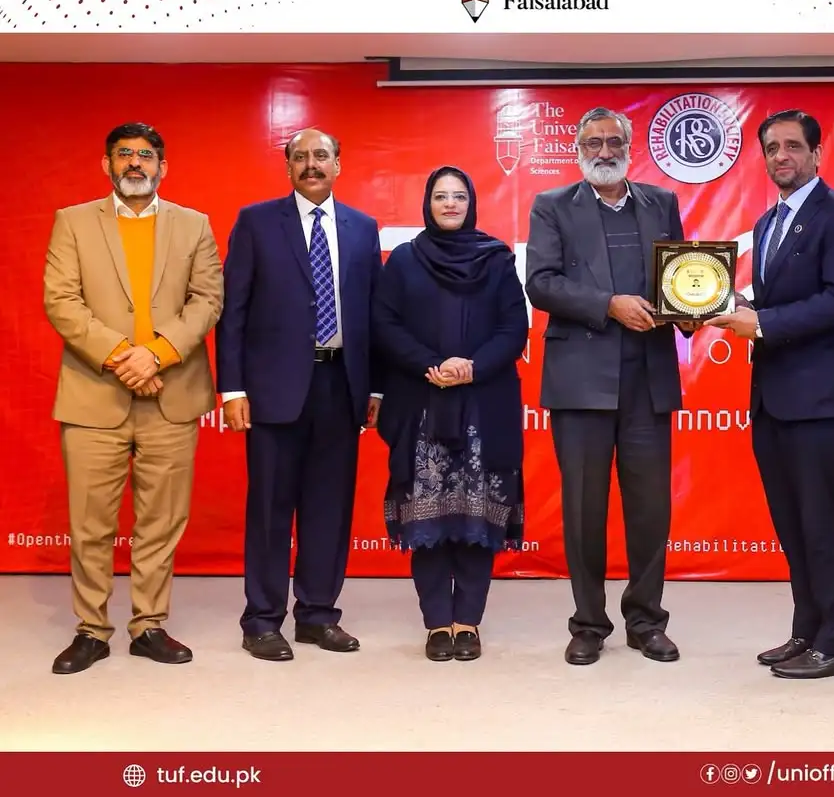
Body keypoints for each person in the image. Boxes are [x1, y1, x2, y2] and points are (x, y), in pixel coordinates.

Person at [44, 122, 223, 674]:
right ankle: (91, 630)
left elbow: (207, 300)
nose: (135, 164)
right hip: (94, 393)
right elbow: (61, 301)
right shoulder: (73, 222)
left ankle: (149, 625)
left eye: (146, 155)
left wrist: (157, 355)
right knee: (91, 524)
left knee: (160, 521)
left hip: (172, 394)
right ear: (107, 165)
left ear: (163, 167)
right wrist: (126, 356)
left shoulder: (194, 225)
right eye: (124, 154)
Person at [706, 109, 834, 679]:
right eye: (771, 148)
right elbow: (776, 302)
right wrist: (730, 306)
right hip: (772, 398)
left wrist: (761, 323)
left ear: (817, 153)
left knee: (823, 524)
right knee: (793, 525)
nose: (781, 156)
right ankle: (808, 630)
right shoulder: (766, 222)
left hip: (821, 400)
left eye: (793, 146)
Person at [525, 106, 696, 666]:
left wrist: (695, 305)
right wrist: (608, 305)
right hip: (580, 383)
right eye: (593, 142)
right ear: (578, 149)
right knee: (583, 510)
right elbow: (540, 284)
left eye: (613, 142)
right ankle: (588, 624)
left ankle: (646, 621)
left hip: (648, 380)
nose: (604, 151)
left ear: (629, 147)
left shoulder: (661, 203)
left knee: (650, 510)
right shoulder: (552, 205)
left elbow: (681, 277)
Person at [216, 127, 383, 661]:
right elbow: (233, 310)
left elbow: (373, 313)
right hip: (273, 389)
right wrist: (233, 388)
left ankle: (317, 615)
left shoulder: (362, 228)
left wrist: (375, 385)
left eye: (321, 156)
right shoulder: (257, 222)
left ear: (338, 164)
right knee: (270, 508)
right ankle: (262, 621)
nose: (312, 164)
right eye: (300, 157)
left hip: (341, 385)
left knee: (329, 508)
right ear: (288, 166)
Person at [371, 166, 528, 662]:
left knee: (478, 520)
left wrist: (471, 368)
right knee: (428, 521)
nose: (450, 204)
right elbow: (384, 323)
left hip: (484, 405)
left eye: (459, 196)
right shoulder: (405, 260)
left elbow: (514, 327)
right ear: (428, 203)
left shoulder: (496, 258)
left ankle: (468, 622)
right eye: (441, 196)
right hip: (422, 405)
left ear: (471, 203)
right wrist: (431, 366)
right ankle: (438, 622)